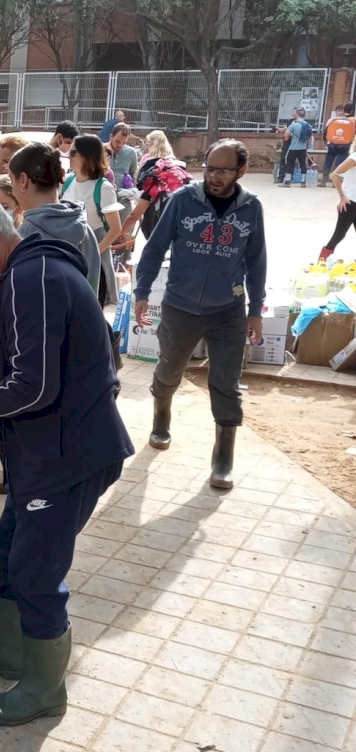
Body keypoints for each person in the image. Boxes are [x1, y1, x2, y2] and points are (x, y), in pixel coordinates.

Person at [0, 190, 133, 727]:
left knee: (38, 570)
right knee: (11, 543)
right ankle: (5, 649)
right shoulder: (23, 272)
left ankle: (45, 689)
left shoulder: (32, 279)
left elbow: (36, 386)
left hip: (68, 453)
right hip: (41, 449)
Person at [135, 139, 266, 490]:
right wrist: (142, 292)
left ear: (241, 171)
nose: (214, 176)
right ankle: (161, 416)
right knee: (169, 370)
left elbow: (256, 263)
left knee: (225, 383)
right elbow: (154, 249)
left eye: (224, 170)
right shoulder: (182, 201)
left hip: (228, 310)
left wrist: (255, 311)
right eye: (210, 167)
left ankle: (223, 458)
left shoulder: (251, 207)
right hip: (181, 307)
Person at [8, 142, 100, 293]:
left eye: (12, 181)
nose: (13, 189)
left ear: (23, 180)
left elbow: (15, 298)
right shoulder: (85, 229)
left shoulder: (26, 236)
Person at [62, 134, 123, 305]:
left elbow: (115, 228)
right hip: (70, 256)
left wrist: (94, 252)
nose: (69, 156)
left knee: (93, 308)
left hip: (95, 260)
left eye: (73, 152)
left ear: (87, 157)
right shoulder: (67, 182)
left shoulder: (103, 187)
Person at [115, 130, 192, 242]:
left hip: (157, 214)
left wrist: (119, 233)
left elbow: (134, 215)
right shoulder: (174, 163)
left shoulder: (153, 178)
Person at [318, 147, 356, 260]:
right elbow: (335, 175)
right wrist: (342, 196)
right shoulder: (354, 158)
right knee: (339, 234)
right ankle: (322, 260)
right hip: (349, 203)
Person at [322, 102, 355, 183]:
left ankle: (323, 181)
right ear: (352, 111)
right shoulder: (353, 121)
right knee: (339, 164)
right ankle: (335, 182)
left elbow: (325, 132)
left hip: (332, 144)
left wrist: (326, 143)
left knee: (328, 163)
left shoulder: (333, 120)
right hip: (345, 145)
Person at [282, 107, 313, 185]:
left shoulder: (294, 125)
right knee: (303, 164)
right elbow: (310, 139)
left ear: (297, 114)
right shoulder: (309, 125)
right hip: (302, 148)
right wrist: (306, 147)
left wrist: (291, 134)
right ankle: (303, 181)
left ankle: (287, 181)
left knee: (290, 163)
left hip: (293, 148)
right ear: (304, 115)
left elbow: (286, 135)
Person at [108, 122, 139, 189]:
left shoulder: (131, 152)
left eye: (124, 142)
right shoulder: (100, 150)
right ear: (111, 137)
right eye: (117, 141)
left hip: (124, 194)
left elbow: (133, 176)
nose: (120, 145)